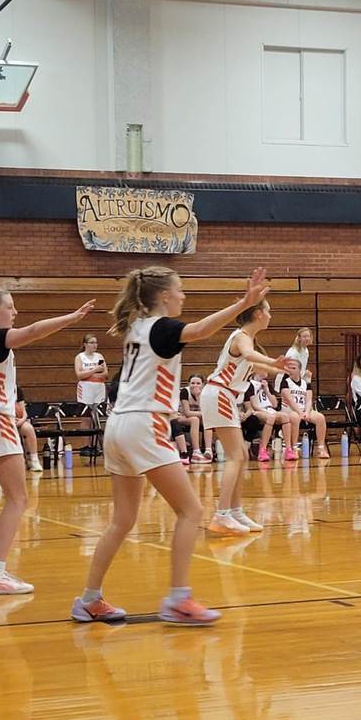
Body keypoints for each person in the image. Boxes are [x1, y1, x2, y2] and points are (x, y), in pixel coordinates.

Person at [72, 265, 270, 625]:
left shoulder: (136, 326)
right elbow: (199, 330)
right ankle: (179, 599)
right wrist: (242, 302)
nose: (183, 295)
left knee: (123, 519)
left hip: (118, 425)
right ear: (163, 295)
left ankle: (89, 598)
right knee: (191, 511)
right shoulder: (161, 327)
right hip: (143, 424)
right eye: (179, 290)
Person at [0, 287, 95, 594]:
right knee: (18, 498)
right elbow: (34, 331)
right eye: (10, 307)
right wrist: (72, 318)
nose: (15, 312)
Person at [199, 300, 291, 535]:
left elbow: (254, 362)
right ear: (259, 314)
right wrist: (273, 362)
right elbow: (250, 354)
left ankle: (235, 511)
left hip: (224, 395)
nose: (271, 315)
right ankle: (221, 515)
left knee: (239, 455)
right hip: (219, 393)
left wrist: (281, 369)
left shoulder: (248, 340)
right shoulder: (242, 337)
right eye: (269, 310)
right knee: (235, 456)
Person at [279, 358, 331, 459]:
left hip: (303, 410)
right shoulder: (285, 382)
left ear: (299, 370)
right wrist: (300, 413)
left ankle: (321, 448)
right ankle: (293, 448)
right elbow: (290, 400)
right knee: (295, 417)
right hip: (290, 410)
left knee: (320, 417)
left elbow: (308, 400)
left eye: (293, 368)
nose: (291, 370)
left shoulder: (305, 384)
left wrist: (306, 412)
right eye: (289, 368)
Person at [179, 375, 213, 463]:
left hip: (196, 416)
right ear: (188, 384)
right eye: (192, 383)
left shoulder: (205, 393)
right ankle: (196, 451)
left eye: (198, 383)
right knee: (195, 419)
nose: (195, 385)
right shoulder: (184, 391)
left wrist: (198, 396)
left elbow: (206, 411)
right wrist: (204, 414)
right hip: (180, 417)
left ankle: (208, 450)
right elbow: (187, 413)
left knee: (207, 419)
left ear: (203, 385)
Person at [274, 325, 313, 392]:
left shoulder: (305, 350)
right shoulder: (293, 352)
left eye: (308, 336)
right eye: (304, 336)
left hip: (296, 378)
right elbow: (288, 369)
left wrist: (304, 373)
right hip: (286, 378)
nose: (307, 338)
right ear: (299, 338)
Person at [75, 334, 108, 408]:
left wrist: (88, 375)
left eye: (96, 343)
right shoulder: (80, 357)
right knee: (86, 411)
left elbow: (105, 374)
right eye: (92, 343)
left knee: (99, 410)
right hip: (85, 388)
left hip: (99, 387)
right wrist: (94, 370)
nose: (95, 345)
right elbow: (79, 375)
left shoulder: (99, 357)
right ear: (85, 344)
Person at [15, 387, 43, 471]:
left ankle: (34, 460)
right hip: (1, 422)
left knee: (28, 428)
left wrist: (21, 420)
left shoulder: (17, 390)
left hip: (16, 421)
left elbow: (24, 413)